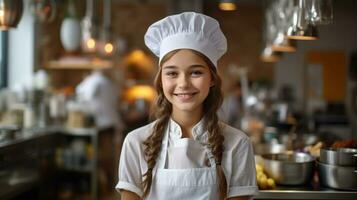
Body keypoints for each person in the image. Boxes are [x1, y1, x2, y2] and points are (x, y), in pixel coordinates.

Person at [116, 12, 258, 200]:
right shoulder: (136, 143)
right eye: (172, 73)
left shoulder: (237, 144)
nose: (183, 83)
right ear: (161, 81)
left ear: (212, 79)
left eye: (196, 72)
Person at [76, 68, 124, 199]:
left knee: (102, 158)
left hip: (101, 125)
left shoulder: (92, 81)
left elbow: (81, 95)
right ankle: (111, 186)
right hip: (111, 123)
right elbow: (117, 99)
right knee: (112, 158)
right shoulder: (109, 83)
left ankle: (105, 189)